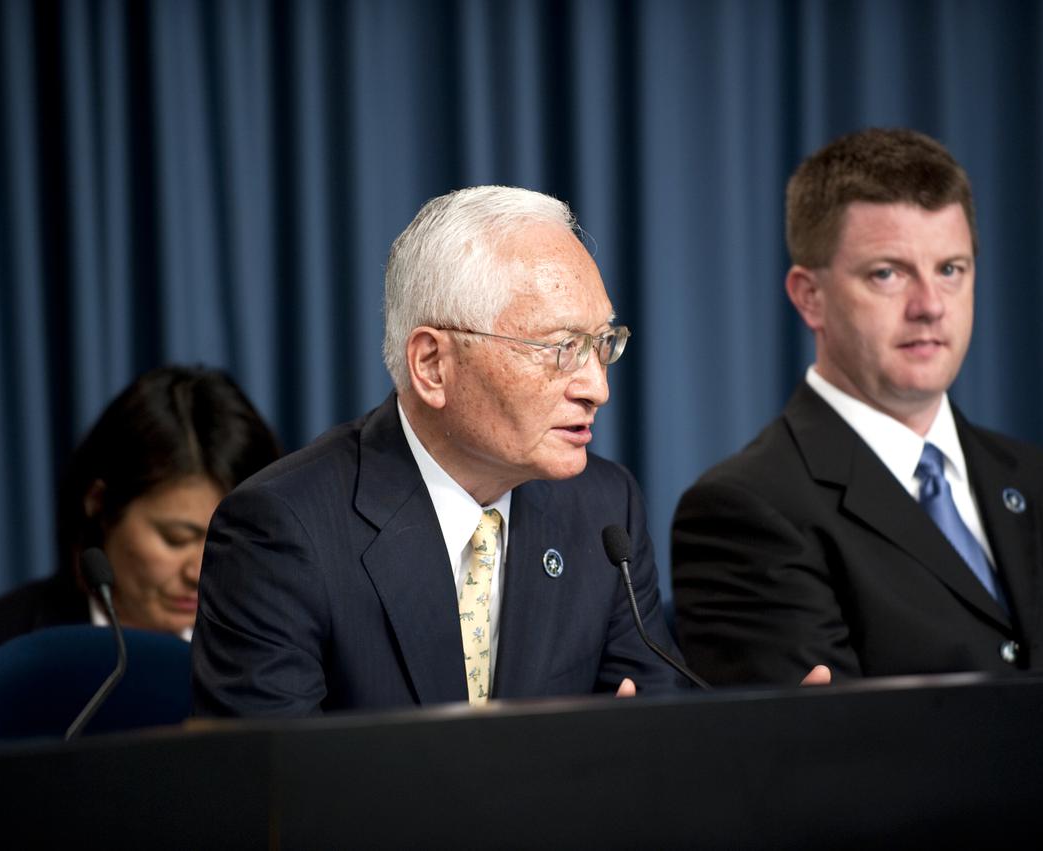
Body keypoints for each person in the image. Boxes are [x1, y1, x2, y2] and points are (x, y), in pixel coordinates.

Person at [671, 128, 1043, 686]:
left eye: (950, 270)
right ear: (809, 296)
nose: (930, 306)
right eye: (888, 273)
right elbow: (827, 757)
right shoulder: (746, 510)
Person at [192, 186, 690, 717]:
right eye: (561, 348)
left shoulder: (603, 510)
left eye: (601, 344)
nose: (597, 387)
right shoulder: (283, 532)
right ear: (432, 364)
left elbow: (659, 737)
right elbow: (276, 787)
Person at [0, 365, 281, 737]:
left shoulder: (285, 658)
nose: (200, 571)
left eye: (227, 540)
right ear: (99, 503)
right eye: (176, 538)